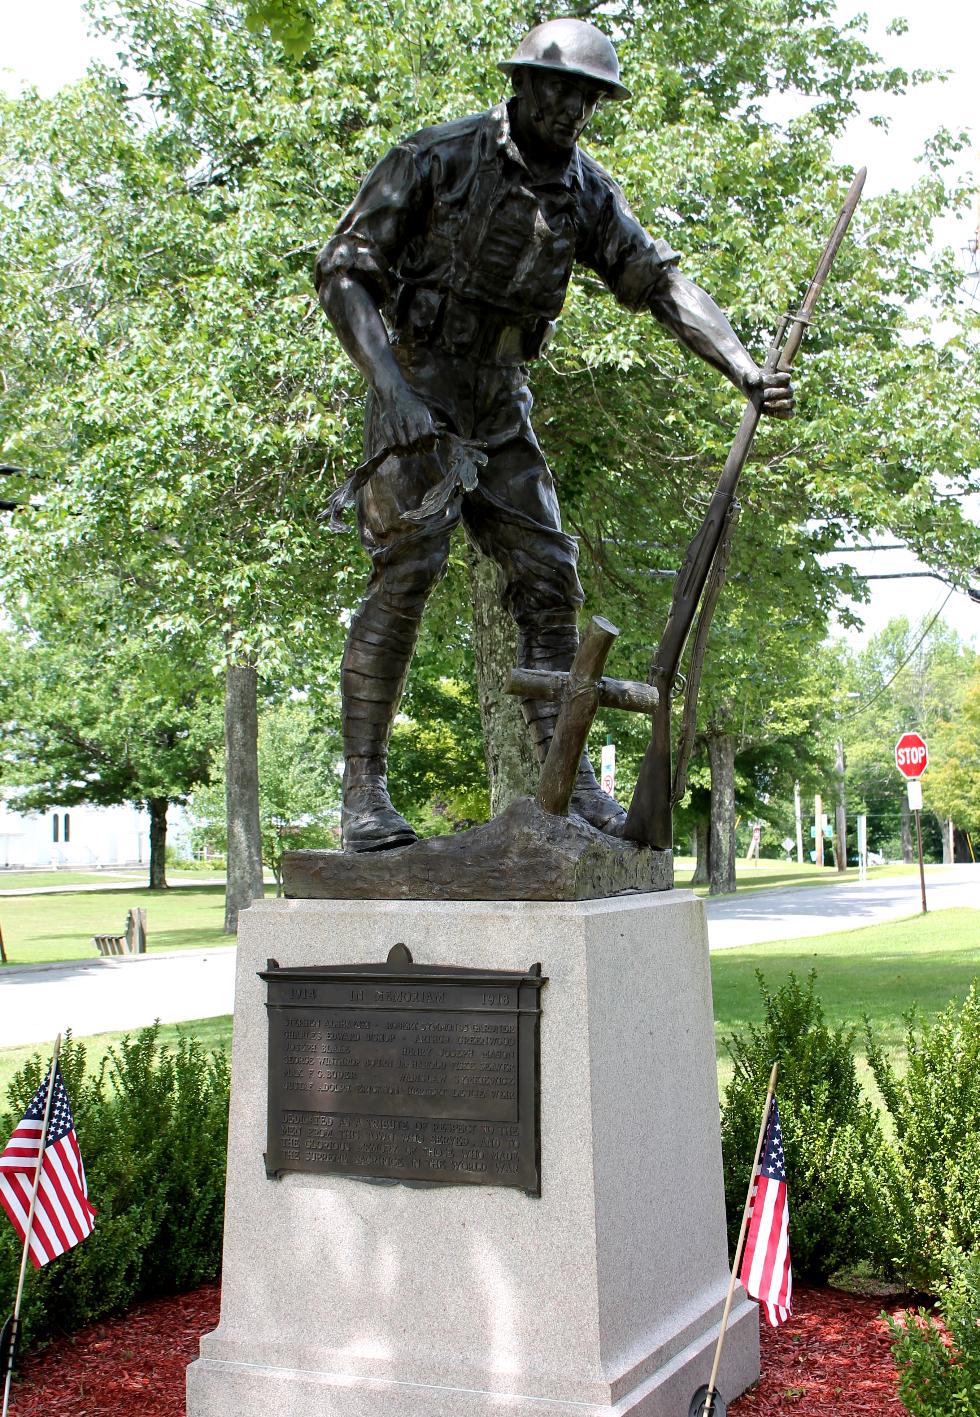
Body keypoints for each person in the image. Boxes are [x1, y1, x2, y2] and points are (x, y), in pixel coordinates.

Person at [315, 17, 793, 853]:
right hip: (419, 386)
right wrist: (388, 388)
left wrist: (743, 366)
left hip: (501, 402)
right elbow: (343, 268)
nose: (574, 107)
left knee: (550, 575)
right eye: (562, 88)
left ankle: (567, 780)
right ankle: (364, 792)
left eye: (590, 96)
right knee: (407, 575)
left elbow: (660, 282)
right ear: (524, 84)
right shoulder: (437, 157)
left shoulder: (586, 192)